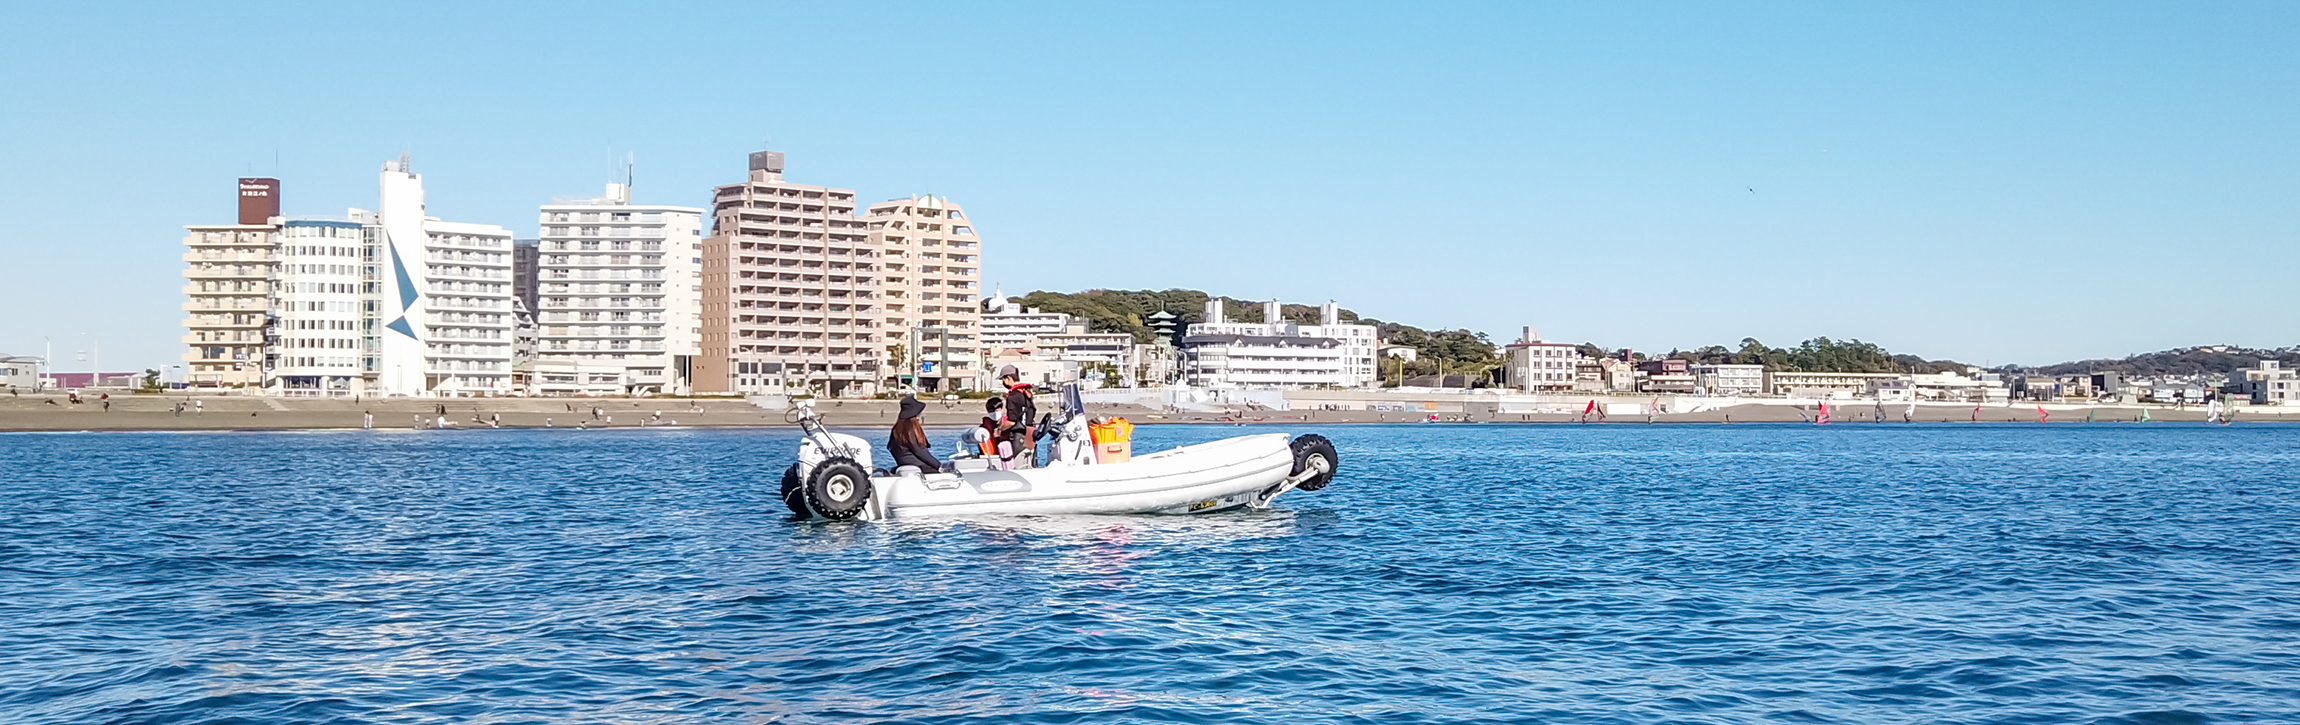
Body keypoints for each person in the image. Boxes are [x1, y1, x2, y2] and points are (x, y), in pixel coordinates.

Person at [887, 395, 942, 473]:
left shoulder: (896, 430)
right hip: (919, 467)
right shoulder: (910, 430)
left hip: (903, 466)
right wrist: (939, 466)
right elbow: (920, 451)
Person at [996, 365, 1036, 469]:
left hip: (1018, 438)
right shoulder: (1026, 393)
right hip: (1030, 436)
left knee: (1018, 469)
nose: (1003, 383)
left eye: (1003, 379)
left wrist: (999, 430)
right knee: (1030, 466)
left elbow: (1012, 421)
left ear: (1008, 378)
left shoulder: (1013, 396)